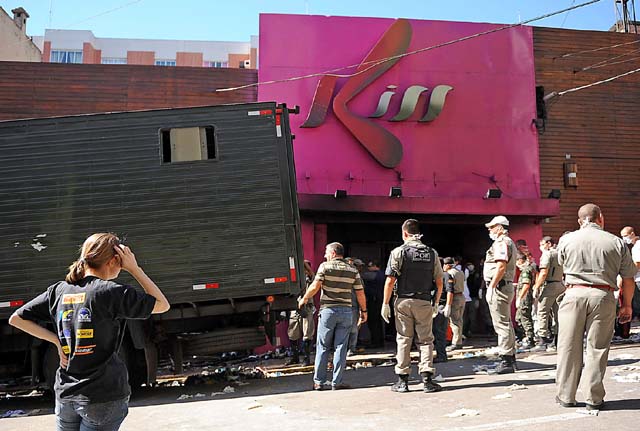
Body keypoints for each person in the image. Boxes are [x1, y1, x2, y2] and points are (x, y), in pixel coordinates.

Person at [9, 233, 170, 431]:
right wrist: (135, 269)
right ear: (114, 260)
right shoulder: (111, 292)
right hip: (102, 395)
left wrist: (57, 342)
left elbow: (16, 318)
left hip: (66, 396)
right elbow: (162, 305)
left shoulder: (59, 291)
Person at [555, 204, 636, 411]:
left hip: (573, 294)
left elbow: (562, 266)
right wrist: (626, 305)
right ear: (601, 218)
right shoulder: (616, 242)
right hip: (603, 295)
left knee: (568, 346)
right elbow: (628, 278)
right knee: (597, 348)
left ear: (580, 220)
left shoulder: (566, 240)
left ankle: (566, 395)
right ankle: (593, 398)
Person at [381, 219, 444, 393]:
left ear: (405, 234)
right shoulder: (432, 253)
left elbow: (390, 280)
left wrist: (385, 303)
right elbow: (439, 282)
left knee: (403, 339)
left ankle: (402, 381)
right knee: (425, 340)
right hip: (424, 302)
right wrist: (436, 302)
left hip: (403, 301)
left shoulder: (399, 252)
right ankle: (427, 380)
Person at [298, 242, 367, 391]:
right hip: (347, 312)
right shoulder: (353, 270)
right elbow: (360, 293)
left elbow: (315, 286)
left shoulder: (325, 266)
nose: (325, 255)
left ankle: (319, 382)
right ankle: (337, 382)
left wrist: (304, 299)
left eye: (326, 252)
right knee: (341, 347)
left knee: (323, 346)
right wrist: (364, 311)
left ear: (334, 253)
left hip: (328, 311)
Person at [483, 215, 518, 374]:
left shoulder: (502, 242)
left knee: (501, 324)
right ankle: (509, 357)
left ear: (500, 227)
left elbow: (501, 266)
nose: (489, 230)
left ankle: (506, 361)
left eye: (492, 227)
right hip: (503, 286)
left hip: (500, 287)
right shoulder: (506, 242)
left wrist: (492, 286)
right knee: (506, 323)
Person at [531, 236, 565, 351]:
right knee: (557, 313)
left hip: (549, 285)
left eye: (542, 244)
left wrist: (536, 286)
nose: (541, 247)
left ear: (549, 243)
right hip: (560, 284)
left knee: (542, 311)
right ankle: (557, 340)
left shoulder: (547, 254)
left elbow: (544, 272)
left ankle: (542, 340)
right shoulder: (560, 253)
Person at [287, 260, 316, 366]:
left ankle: (306, 358)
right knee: (292, 333)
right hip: (295, 308)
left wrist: (303, 262)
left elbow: (312, 274)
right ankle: (294, 357)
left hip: (307, 307)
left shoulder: (310, 279)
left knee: (307, 334)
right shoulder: (295, 278)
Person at [442, 257, 465, 351]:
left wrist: (448, 304)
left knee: (454, 321)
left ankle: (456, 343)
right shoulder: (460, 272)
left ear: (447, 265)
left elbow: (450, 289)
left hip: (454, 297)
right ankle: (458, 340)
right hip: (461, 296)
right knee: (459, 320)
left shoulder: (450, 273)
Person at [362, 260, 385, 348]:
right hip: (379, 300)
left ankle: (376, 342)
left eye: (369, 266)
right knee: (378, 322)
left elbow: (361, 276)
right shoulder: (383, 275)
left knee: (373, 322)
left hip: (374, 301)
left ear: (375, 266)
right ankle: (379, 341)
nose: (368, 268)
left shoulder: (374, 275)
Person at [514, 253, 535, 348]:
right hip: (524, 295)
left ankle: (530, 338)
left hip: (525, 297)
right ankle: (523, 337)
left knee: (524, 317)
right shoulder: (527, 269)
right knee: (519, 318)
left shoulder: (526, 270)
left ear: (520, 260)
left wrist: (520, 297)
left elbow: (526, 285)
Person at [620, 226, 640, 321]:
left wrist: (628, 273)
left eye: (625, 236)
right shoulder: (635, 246)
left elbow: (638, 263)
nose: (624, 239)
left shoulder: (638, 246)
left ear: (632, 234)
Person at [347, 258, 366, 355]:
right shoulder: (353, 276)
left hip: (353, 306)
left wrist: (362, 309)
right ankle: (348, 348)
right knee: (350, 328)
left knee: (353, 328)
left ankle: (351, 348)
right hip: (348, 305)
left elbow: (360, 294)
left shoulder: (356, 277)